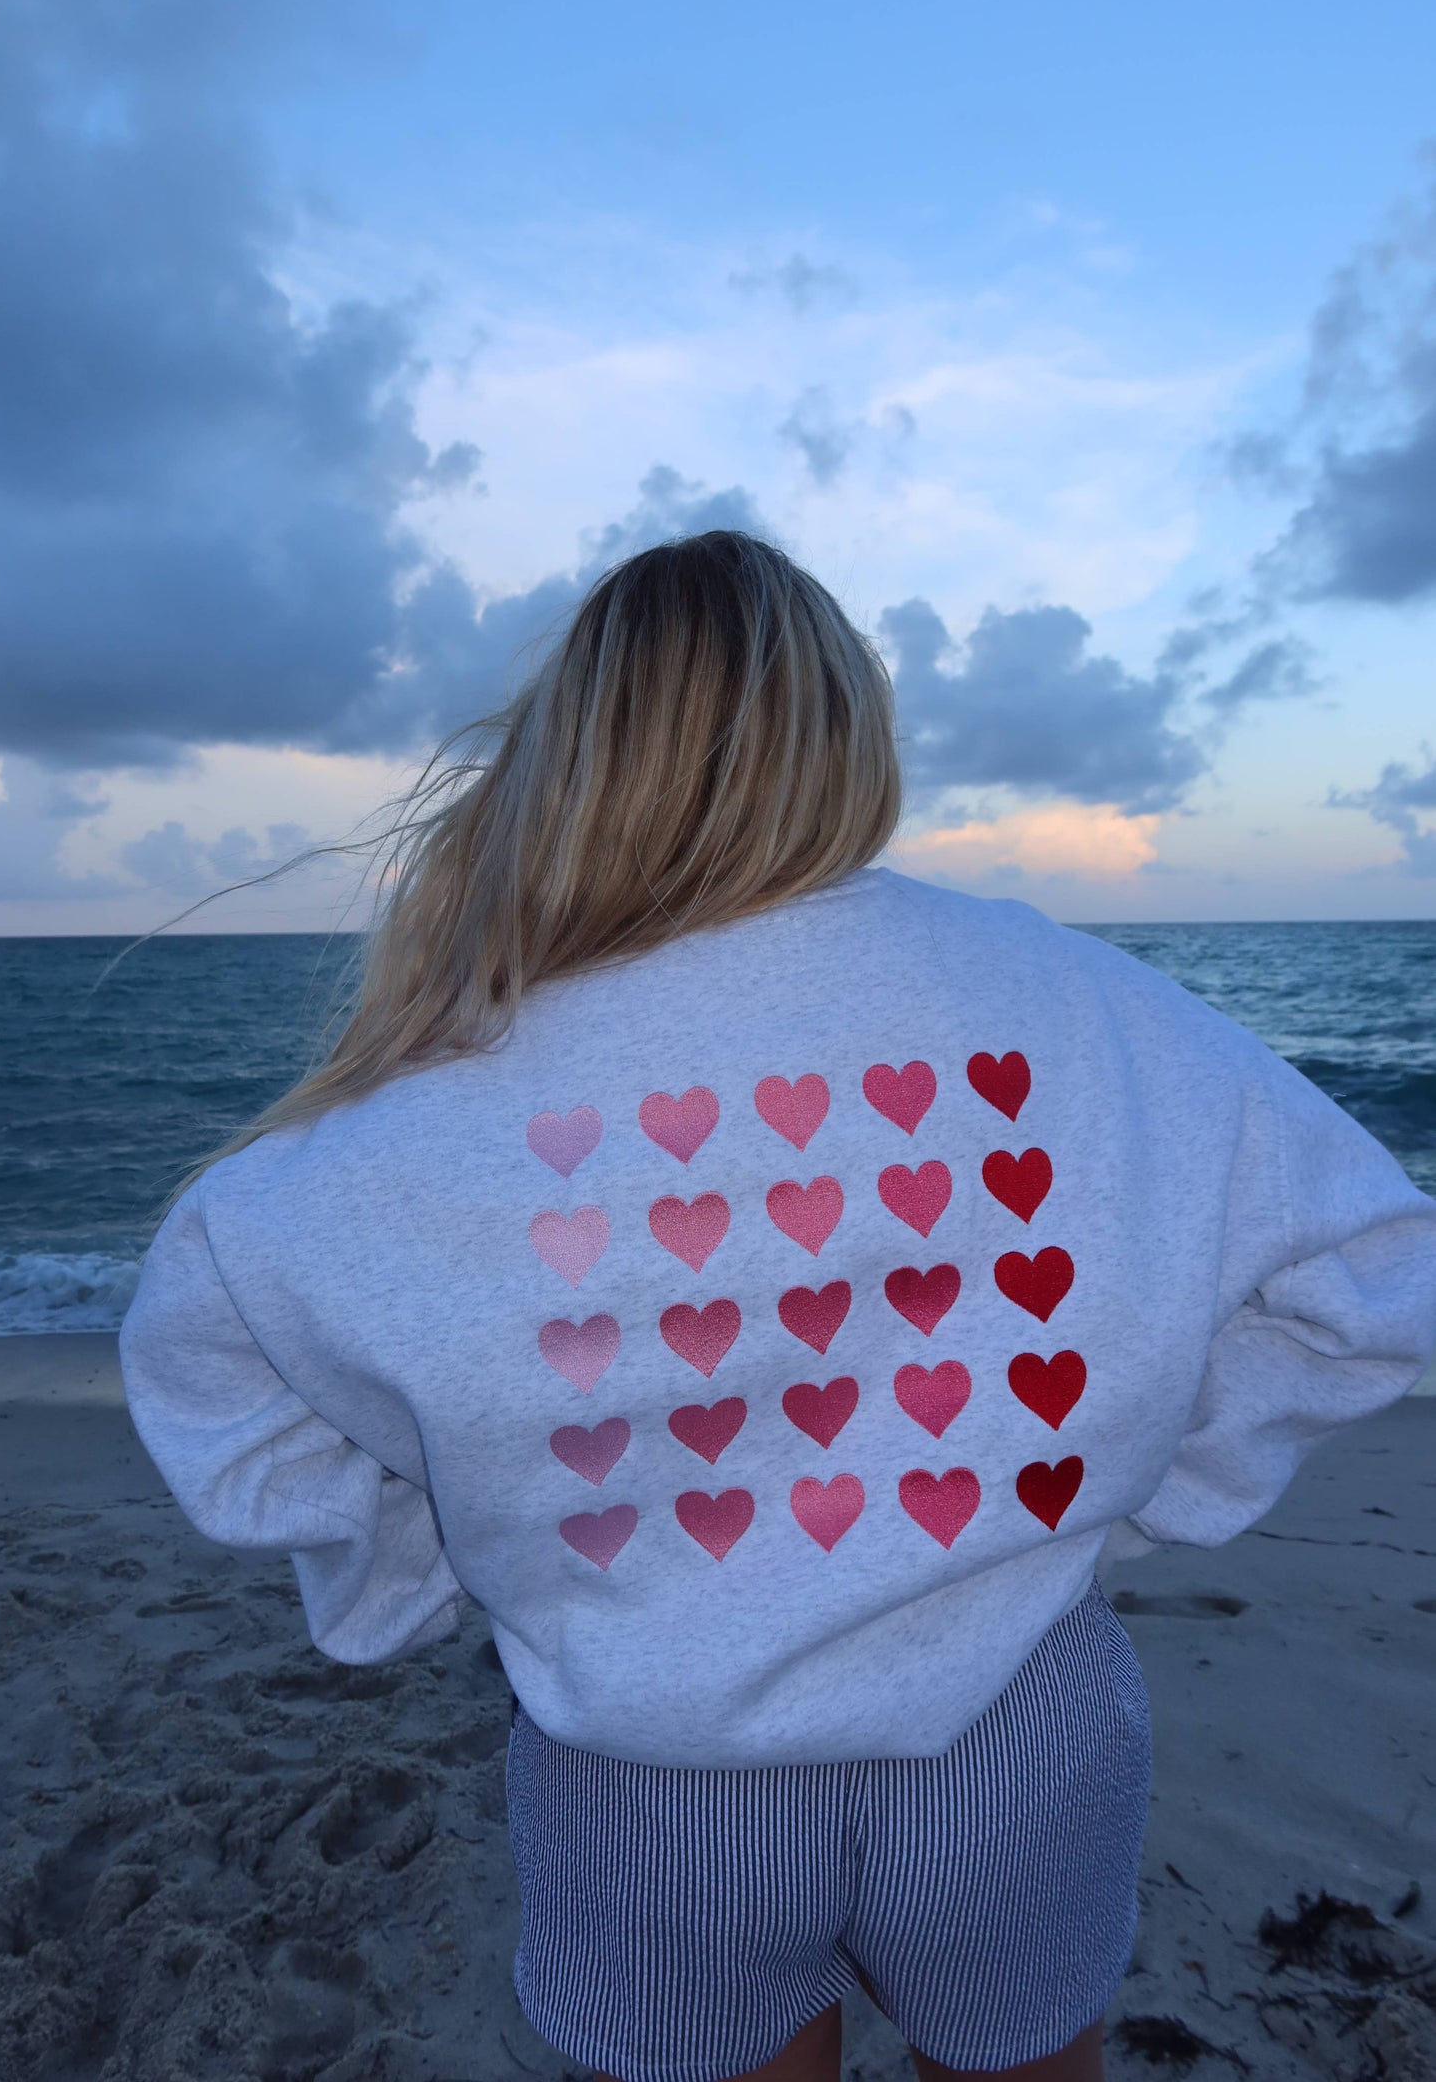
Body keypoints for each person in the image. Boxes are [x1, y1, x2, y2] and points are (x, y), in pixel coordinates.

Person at [119, 530, 1436, 2082]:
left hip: (644, 1769)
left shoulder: (451, 1085)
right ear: (846, 743)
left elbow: (209, 1340)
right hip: (1017, 1718)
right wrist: (1137, 1494)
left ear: (573, 755)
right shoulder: (1056, 984)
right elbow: (1369, 1271)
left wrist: (410, 1565)